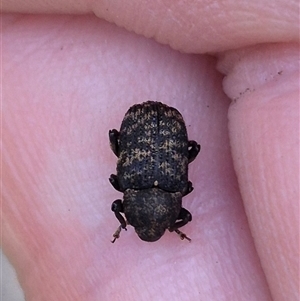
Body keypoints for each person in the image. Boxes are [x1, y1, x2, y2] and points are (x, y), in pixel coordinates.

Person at [2, 1, 299, 300]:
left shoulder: (176, 187)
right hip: (156, 126)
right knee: (134, 142)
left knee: (175, 147)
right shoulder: (137, 187)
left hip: (150, 125)